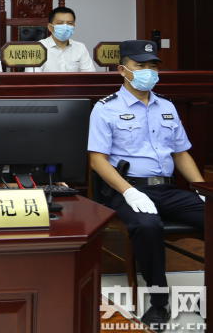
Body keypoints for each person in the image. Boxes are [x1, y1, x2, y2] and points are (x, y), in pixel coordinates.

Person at [88, 40, 205, 328]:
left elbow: (181, 153)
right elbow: (97, 161)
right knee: (147, 226)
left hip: (167, 188)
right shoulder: (105, 108)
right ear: (122, 70)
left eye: (152, 66)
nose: (148, 72)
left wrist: (203, 190)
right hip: (127, 189)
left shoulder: (166, 106)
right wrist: (129, 192)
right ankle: (159, 302)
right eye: (140, 66)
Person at [25, 7, 96, 73]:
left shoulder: (80, 47)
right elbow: (32, 78)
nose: (65, 27)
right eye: (60, 23)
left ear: (74, 26)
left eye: (69, 23)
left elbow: (90, 76)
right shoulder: (37, 48)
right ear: (50, 27)